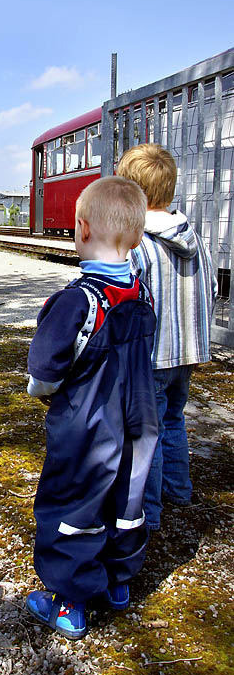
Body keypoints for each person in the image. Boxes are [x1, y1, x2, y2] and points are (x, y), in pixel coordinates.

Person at [25, 176, 159, 640]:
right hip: (140, 420)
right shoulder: (142, 295)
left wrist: (42, 392)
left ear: (81, 229)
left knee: (73, 503)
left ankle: (69, 601)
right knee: (127, 498)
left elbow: (44, 373)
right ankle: (119, 584)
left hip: (88, 425)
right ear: (138, 236)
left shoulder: (75, 301)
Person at [117, 144, 217, 530]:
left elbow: (124, 298)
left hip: (152, 355)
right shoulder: (194, 236)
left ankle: (150, 513)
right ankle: (180, 491)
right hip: (188, 350)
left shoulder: (136, 242)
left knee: (147, 433)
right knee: (173, 420)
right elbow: (209, 288)